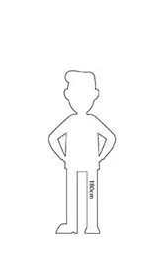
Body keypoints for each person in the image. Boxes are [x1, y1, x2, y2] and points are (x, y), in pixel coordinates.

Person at [48, 71, 116, 234]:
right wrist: (64, 157)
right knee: (73, 193)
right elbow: (53, 138)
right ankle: (72, 224)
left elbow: (110, 138)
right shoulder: (71, 121)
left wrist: (99, 157)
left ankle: (91, 224)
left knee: (91, 193)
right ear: (68, 96)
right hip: (75, 164)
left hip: (89, 164)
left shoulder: (92, 121)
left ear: (94, 95)